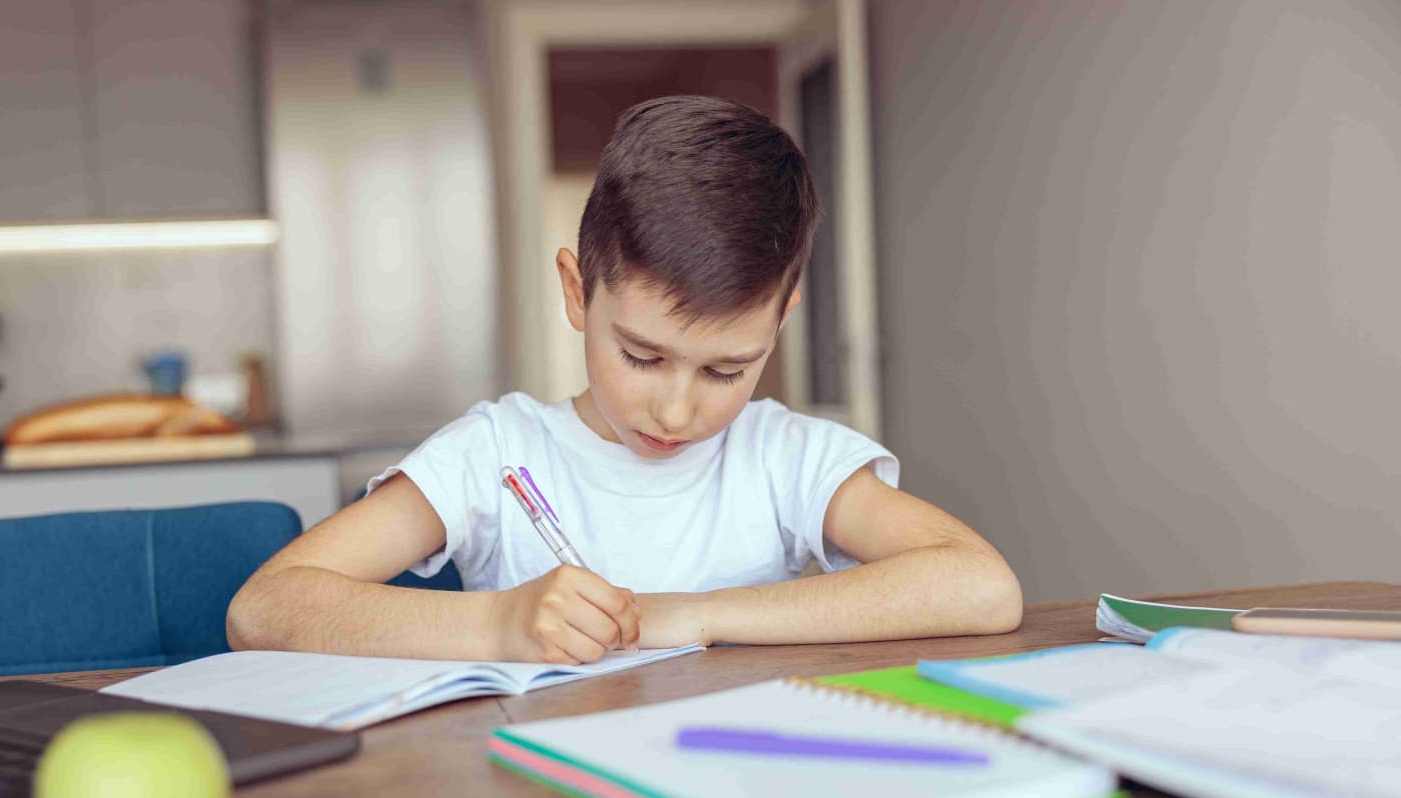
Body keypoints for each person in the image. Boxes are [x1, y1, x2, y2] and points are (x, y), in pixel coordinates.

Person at [228, 95, 1022, 664]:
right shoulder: (496, 453)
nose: (677, 409)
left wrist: (692, 616)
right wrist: (501, 625)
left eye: (727, 368)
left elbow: (981, 588)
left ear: (780, 323)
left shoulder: (786, 457)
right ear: (577, 293)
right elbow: (265, 608)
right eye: (642, 357)